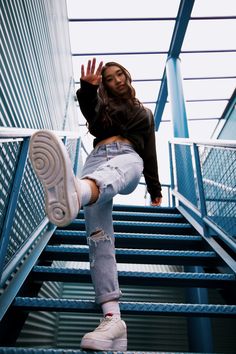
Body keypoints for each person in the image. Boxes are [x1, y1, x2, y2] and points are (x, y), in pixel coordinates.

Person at [29, 58, 162, 351]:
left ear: (127, 76)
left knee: (117, 171)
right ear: (106, 84)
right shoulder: (104, 106)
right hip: (96, 161)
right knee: (98, 240)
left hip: (128, 159)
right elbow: (92, 116)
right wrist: (88, 91)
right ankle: (113, 320)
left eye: (120, 75)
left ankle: (76, 191)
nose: (117, 81)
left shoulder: (144, 113)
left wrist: (155, 189)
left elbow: (149, 151)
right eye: (110, 78)